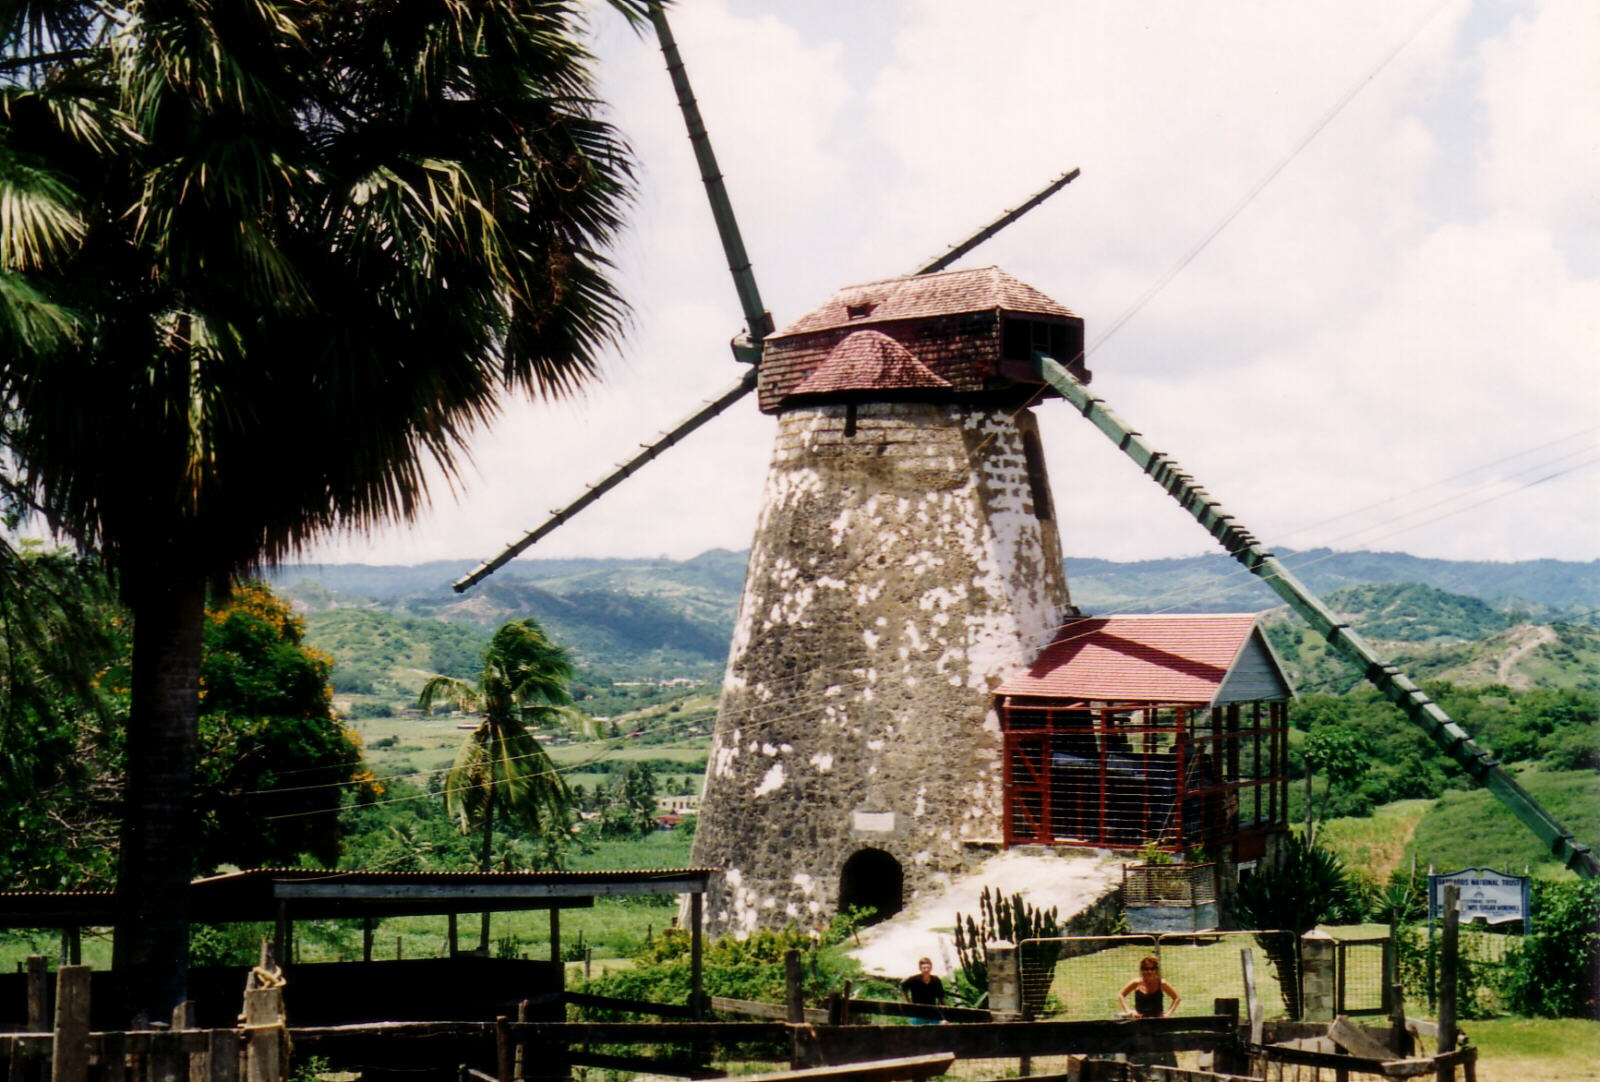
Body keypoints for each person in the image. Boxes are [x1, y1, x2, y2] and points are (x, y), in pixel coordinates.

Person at [901, 957, 947, 1024]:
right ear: (920, 968)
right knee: (918, 1032)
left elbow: (941, 996)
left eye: (928, 967)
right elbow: (903, 987)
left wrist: (944, 1014)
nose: (926, 970)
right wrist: (908, 1001)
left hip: (933, 1011)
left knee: (935, 1032)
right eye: (924, 968)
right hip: (918, 1011)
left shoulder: (936, 980)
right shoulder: (914, 979)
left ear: (931, 968)